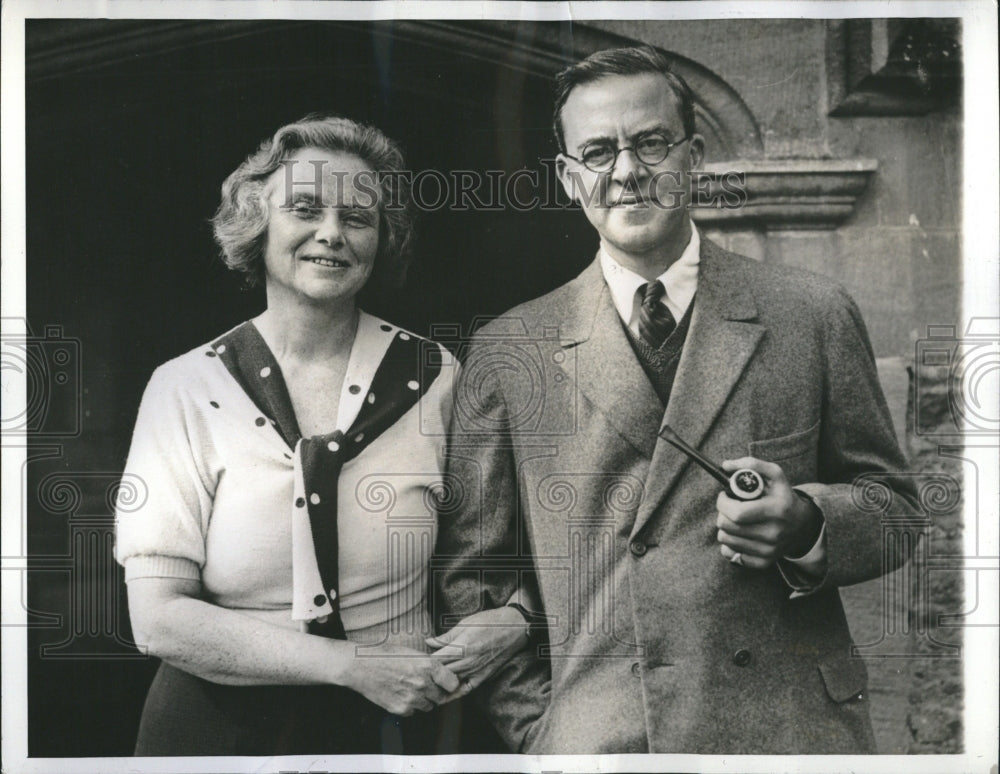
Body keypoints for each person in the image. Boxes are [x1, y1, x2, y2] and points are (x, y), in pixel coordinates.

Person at [434, 46, 921, 754]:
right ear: (571, 180)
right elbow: (472, 580)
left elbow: (898, 512)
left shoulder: (810, 313)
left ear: (692, 156)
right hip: (606, 743)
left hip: (789, 735)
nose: (627, 172)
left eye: (650, 142)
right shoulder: (513, 348)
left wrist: (808, 522)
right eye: (598, 152)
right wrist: (542, 729)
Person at [115, 115, 525, 756]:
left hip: (394, 731)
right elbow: (159, 619)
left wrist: (518, 615)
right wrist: (350, 664)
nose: (331, 234)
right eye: (304, 209)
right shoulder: (184, 388)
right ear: (259, 223)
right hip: (214, 735)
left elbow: (497, 553)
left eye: (358, 218)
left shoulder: (435, 375)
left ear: (381, 238)